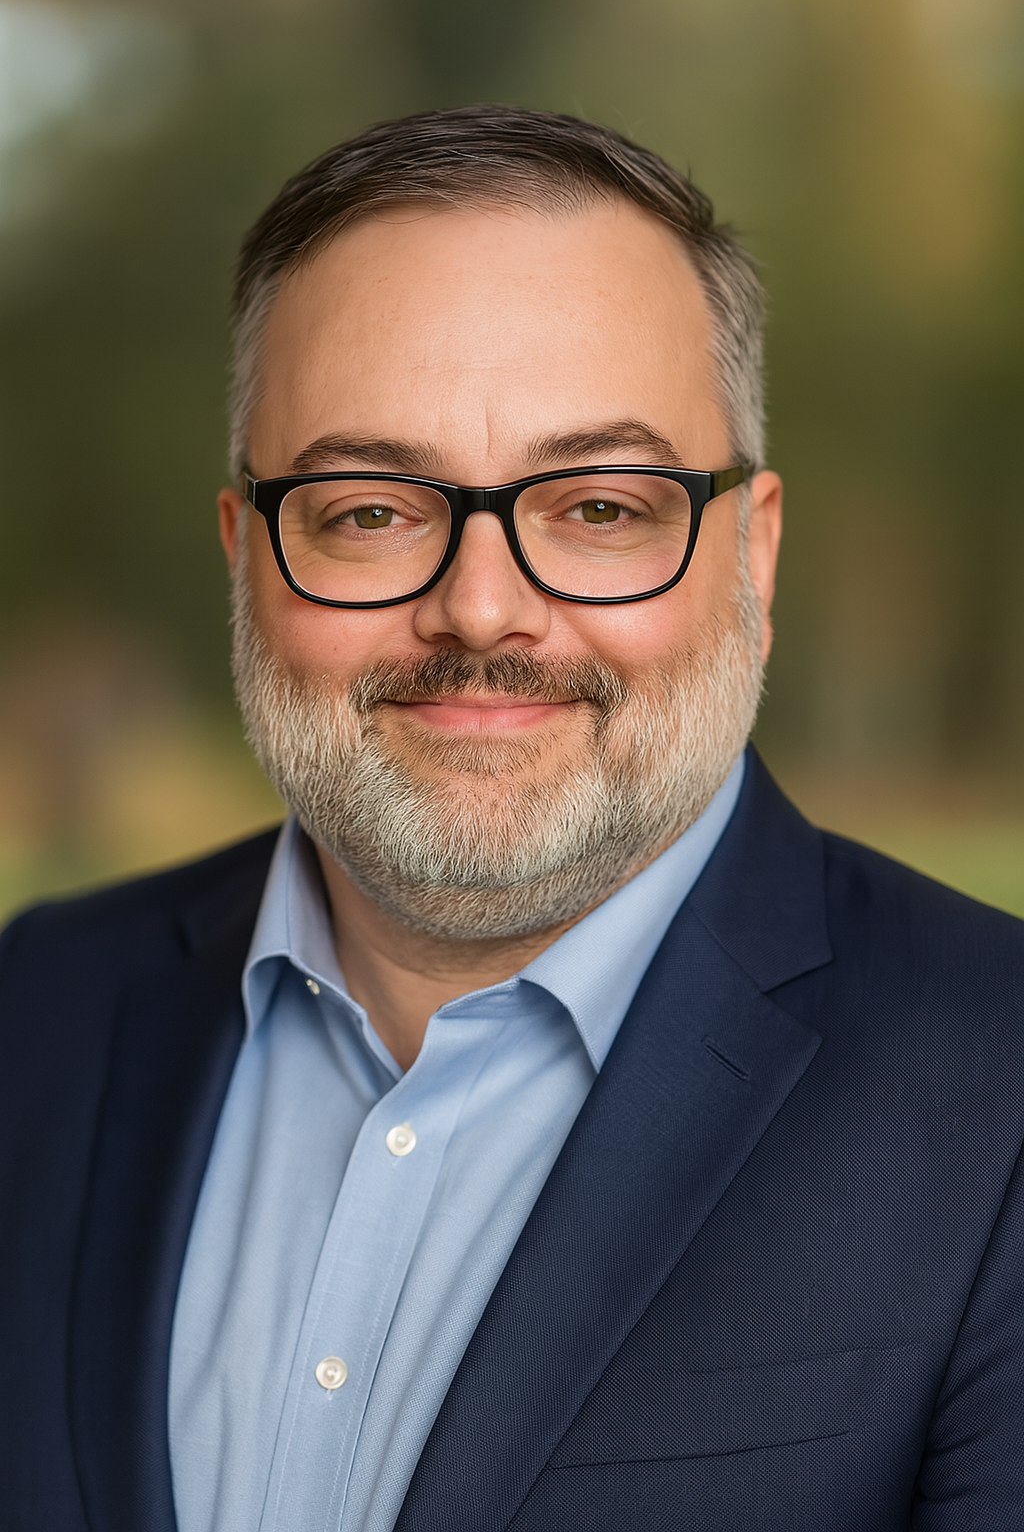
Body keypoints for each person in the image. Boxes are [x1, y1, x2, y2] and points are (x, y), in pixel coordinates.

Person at [1, 105, 1023, 1532]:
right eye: (369, 511)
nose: (482, 608)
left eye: (601, 506)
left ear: (755, 552)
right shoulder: (32, 1008)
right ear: (247, 556)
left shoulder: (1003, 1090)